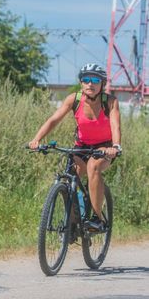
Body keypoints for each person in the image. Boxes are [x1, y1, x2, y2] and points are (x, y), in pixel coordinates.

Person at [28, 63, 122, 232]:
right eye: (86, 80)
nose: (90, 84)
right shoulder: (74, 99)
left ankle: (97, 219)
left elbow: (115, 126)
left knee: (93, 167)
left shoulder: (110, 101)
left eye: (95, 80)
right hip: (82, 146)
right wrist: (36, 139)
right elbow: (53, 120)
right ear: (81, 82)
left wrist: (115, 146)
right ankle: (73, 221)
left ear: (102, 83)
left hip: (104, 147)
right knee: (70, 176)